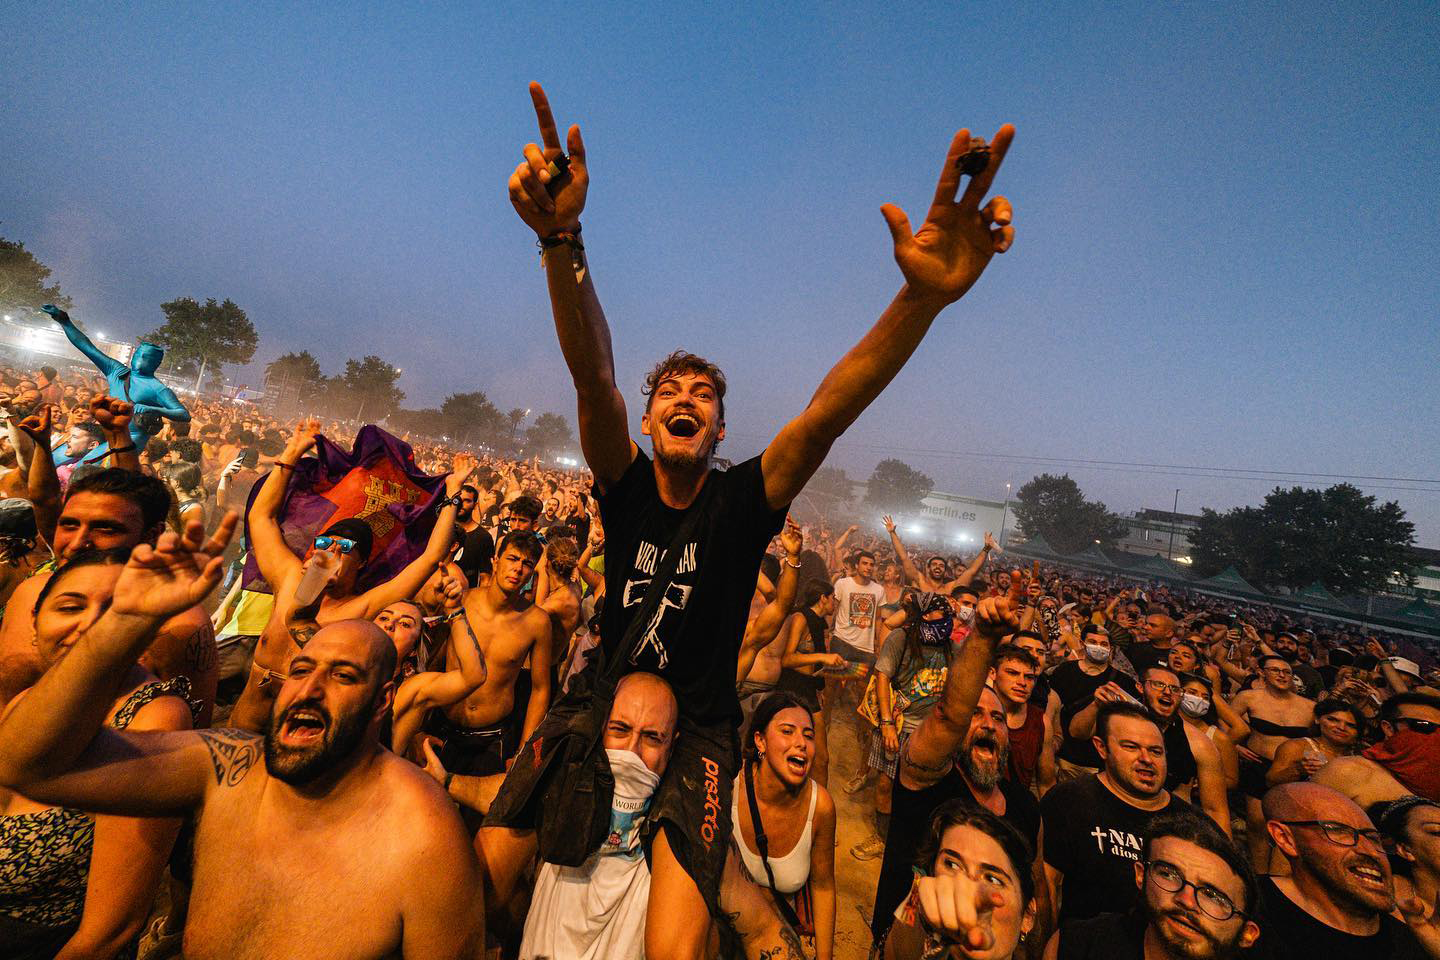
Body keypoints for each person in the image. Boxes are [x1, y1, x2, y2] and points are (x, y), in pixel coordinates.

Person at [485, 80, 1016, 960]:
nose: (685, 399)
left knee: (676, 944)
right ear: (647, 422)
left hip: (698, 733)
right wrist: (560, 240)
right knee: (488, 871)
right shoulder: (625, 485)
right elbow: (593, 377)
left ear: (721, 431)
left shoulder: (740, 506)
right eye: (670, 392)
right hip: (598, 704)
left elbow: (826, 415)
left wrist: (919, 301)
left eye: (704, 395)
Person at [0, 518, 483, 959]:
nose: (309, 690)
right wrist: (120, 627)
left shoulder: (424, 837)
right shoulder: (230, 767)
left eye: (343, 676)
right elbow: (30, 767)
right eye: (301, 670)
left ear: (382, 701)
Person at [0, 548, 195, 958]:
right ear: (35, 622)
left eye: (117, 611)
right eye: (70, 607)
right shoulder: (26, 703)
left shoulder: (153, 719)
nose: (90, 624)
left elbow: (108, 932)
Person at [229, 422, 467, 731]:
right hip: (241, 726)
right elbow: (262, 517)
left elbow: (431, 557)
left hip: (299, 734)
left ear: (362, 561)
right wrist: (292, 453)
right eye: (324, 544)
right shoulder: (289, 579)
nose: (330, 552)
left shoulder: (359, 609)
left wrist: (453, 493)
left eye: (343, 548)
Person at [873, 593, 1043, 946]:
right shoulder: (925, 781)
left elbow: (1033, 893)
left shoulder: (1025, 806)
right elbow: (949, 715)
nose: (988, 724)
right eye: (974, 715)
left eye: (997, 718)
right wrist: (984, 636)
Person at [0, 468, 219, 726]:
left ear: (151, 535)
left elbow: (188, 738)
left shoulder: (180, 625)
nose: (78, 542)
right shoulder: (30, 591)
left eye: (105, 529)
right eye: (69, 524)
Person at [1041, 702, 1193, 926]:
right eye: (1131, 747)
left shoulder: (1189, 822)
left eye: (1155, 751)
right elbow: (1046, 887)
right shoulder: (1069, 800)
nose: (1146, 759)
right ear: (1102, 748)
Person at [427, 531, 551, 792]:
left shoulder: (537, 622)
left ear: (532, 573)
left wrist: (523, 750)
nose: (518, 568)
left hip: (492, 739)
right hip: (442, 728)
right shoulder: (462, 601)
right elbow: (432, 660)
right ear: (495, 561)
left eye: (527, 564)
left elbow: (540, 689)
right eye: (512, 559)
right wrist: (418, 725)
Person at [1044, 810, 1260, 960]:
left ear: (1247, 934)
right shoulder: (1078, 946)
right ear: (1141, 876)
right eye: (1168, 874)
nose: (1186, 900)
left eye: (1213, 896)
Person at [1252, 782, 1432, 958]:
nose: (1370, 851)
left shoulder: (1414, 943)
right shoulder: (1249, 913)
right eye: (1339, 830)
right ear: (1285, 838)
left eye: (1373, 838)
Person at [733, 692, 837, 960]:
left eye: (808, 736)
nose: (801, 743)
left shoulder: (821, 807)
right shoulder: (728, 785)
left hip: (777, 942)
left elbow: (823, 886)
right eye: (787, 731)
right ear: (760, 740)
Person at [852, 591, 953, 861]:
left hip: (930, 733)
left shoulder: (951, 648)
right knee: (886, 785)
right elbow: (883, 677)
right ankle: (881, 838)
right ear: (924, 617)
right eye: (940, 614)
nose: (946, 620)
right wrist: (886, 723)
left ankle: (914, 842)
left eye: (948, 616)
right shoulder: (901, 638)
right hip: (898, 725)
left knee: (923, 791)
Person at [883, 802, 1037, 960]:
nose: (965, 887)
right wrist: (921, 914)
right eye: (952, 865)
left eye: (992, 879)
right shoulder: (915, 908)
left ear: (1027, 916)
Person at [42, 305, 191, 452]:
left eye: (146, 357)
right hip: (104, 431)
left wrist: (151, 408)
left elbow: (183, 414)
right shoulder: (117, 371)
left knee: (96, 464)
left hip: (130, 438)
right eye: (138, 354)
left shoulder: (158, 388)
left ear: (156, 363)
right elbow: (87, 347)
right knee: (57, 458)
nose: (140, 359)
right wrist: (64, 321)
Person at [774, 581, 842, 787]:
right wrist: (822, 657)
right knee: (813, 757)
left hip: (810, 690)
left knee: (819, 758)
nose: (835, 602)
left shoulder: (820, 622)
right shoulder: (800, 618)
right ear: (823, 598)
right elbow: (787, 659)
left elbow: (815, 662)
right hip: (793, 690)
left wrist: (822, 686)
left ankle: (815, 800)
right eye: (833, 597)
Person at [989, 644, 1053, 793]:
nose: (1022, 683)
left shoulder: (1041, 721)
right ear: (993, 673)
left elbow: (1046, 784)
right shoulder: (974, 712)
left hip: (1017, 804)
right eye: (1012, 673)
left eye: (1029, 677)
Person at [1266, 698, 1362, 787]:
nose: (1341, 727)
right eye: (1333, 720)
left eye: (1350, 725)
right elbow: (1270, 782)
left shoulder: (1357, 757)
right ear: (1317, 719)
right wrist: (1297, 770)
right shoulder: (1298, 747)